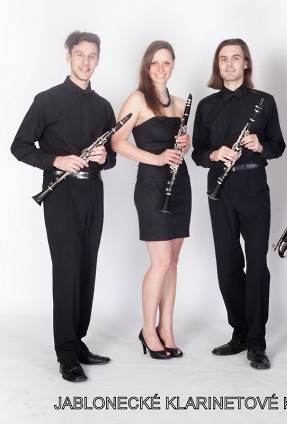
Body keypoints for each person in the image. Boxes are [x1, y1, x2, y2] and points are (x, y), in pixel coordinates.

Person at [11, 31, 116, 382]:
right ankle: (66, 354)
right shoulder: (47, 100)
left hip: (93, 192)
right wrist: (56, 160)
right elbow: (20, 146)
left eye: (92, 55)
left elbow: (111, 158)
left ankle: (78, 340)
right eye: (80, 54)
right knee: (67, 270)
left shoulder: (104, 106)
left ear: (98, 60)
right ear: (68, 56)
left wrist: (103, 157)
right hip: (60, 194)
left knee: (87, 268)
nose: (86, 61)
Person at [192, 39, 285, 370]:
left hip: (254, 186)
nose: (229, 64)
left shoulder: (264, 101)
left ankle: (257, 343)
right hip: (220, 189)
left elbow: (278, 146)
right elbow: (197, 152)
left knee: (257, 265)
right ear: (218, 65)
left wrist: (260, 146)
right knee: (228, 264)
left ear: (246, 63)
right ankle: (240, 332)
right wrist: (214, 154)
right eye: (223, 59)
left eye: (235, 58)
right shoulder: (206, 106)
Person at [111, 41, 191, 360]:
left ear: (173, 65)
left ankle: (166, 328)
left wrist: (185, 144)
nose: (160, 68)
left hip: (179, 185)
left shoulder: (181, 103)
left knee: (173, 261)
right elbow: (117, 142)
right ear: (147, 66)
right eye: (155, 63)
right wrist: (156, 158)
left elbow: (180, 146)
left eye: (166, 63)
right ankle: (147, 330)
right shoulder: (138, 99)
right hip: (151, 186)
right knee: (160, 262)